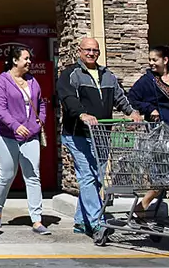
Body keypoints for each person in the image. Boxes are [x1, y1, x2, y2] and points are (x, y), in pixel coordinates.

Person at [57, 37, 144, 236]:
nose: (91, 53)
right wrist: (82, 114)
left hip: (102, 135)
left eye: (95, 50)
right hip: (78, 134)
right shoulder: (71, 74)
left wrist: (131, 112)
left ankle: (81, 221)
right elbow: (68, 98)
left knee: (96, 178)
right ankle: (97, 222)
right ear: (79, 51)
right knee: (87, 176)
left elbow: (119, 97)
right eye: (87, 50)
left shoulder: (107, 75)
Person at [128, 44, 169, 226]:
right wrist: (150, 109)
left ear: (165, 60)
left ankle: (142, 208)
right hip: (161, 136)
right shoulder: (147, 81)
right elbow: (132, 97)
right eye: (150, 60)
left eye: (154, 60)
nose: (151, 63)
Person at [0, 46, 51, 235]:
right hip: (6, 136)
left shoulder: (33, 81)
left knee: (33, 176)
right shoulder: (1, 82)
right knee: (7, 175)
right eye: (26, 58)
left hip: (30, 135)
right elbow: (0, 109)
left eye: (29, 58)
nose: (29, 62)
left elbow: (41, 103)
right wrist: (15, 126)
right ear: (15, 61)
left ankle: (37, 219)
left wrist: (38, 124)